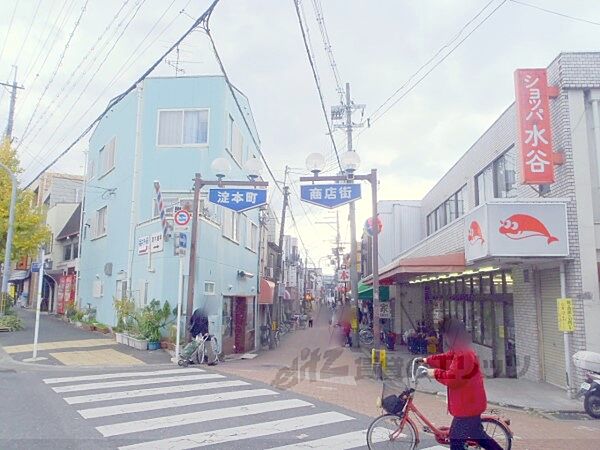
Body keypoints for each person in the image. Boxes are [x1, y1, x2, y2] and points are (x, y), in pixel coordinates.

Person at [421, 318, 502, 450]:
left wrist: (434, 373)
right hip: (470, 403)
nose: (445, 338)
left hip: (468, 406)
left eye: (446, 335)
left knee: (456, 440)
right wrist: (427, 360)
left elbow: (453, 379)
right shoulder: (461, 349)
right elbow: (447, 358)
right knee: (477, 435)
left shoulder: (464, 354)